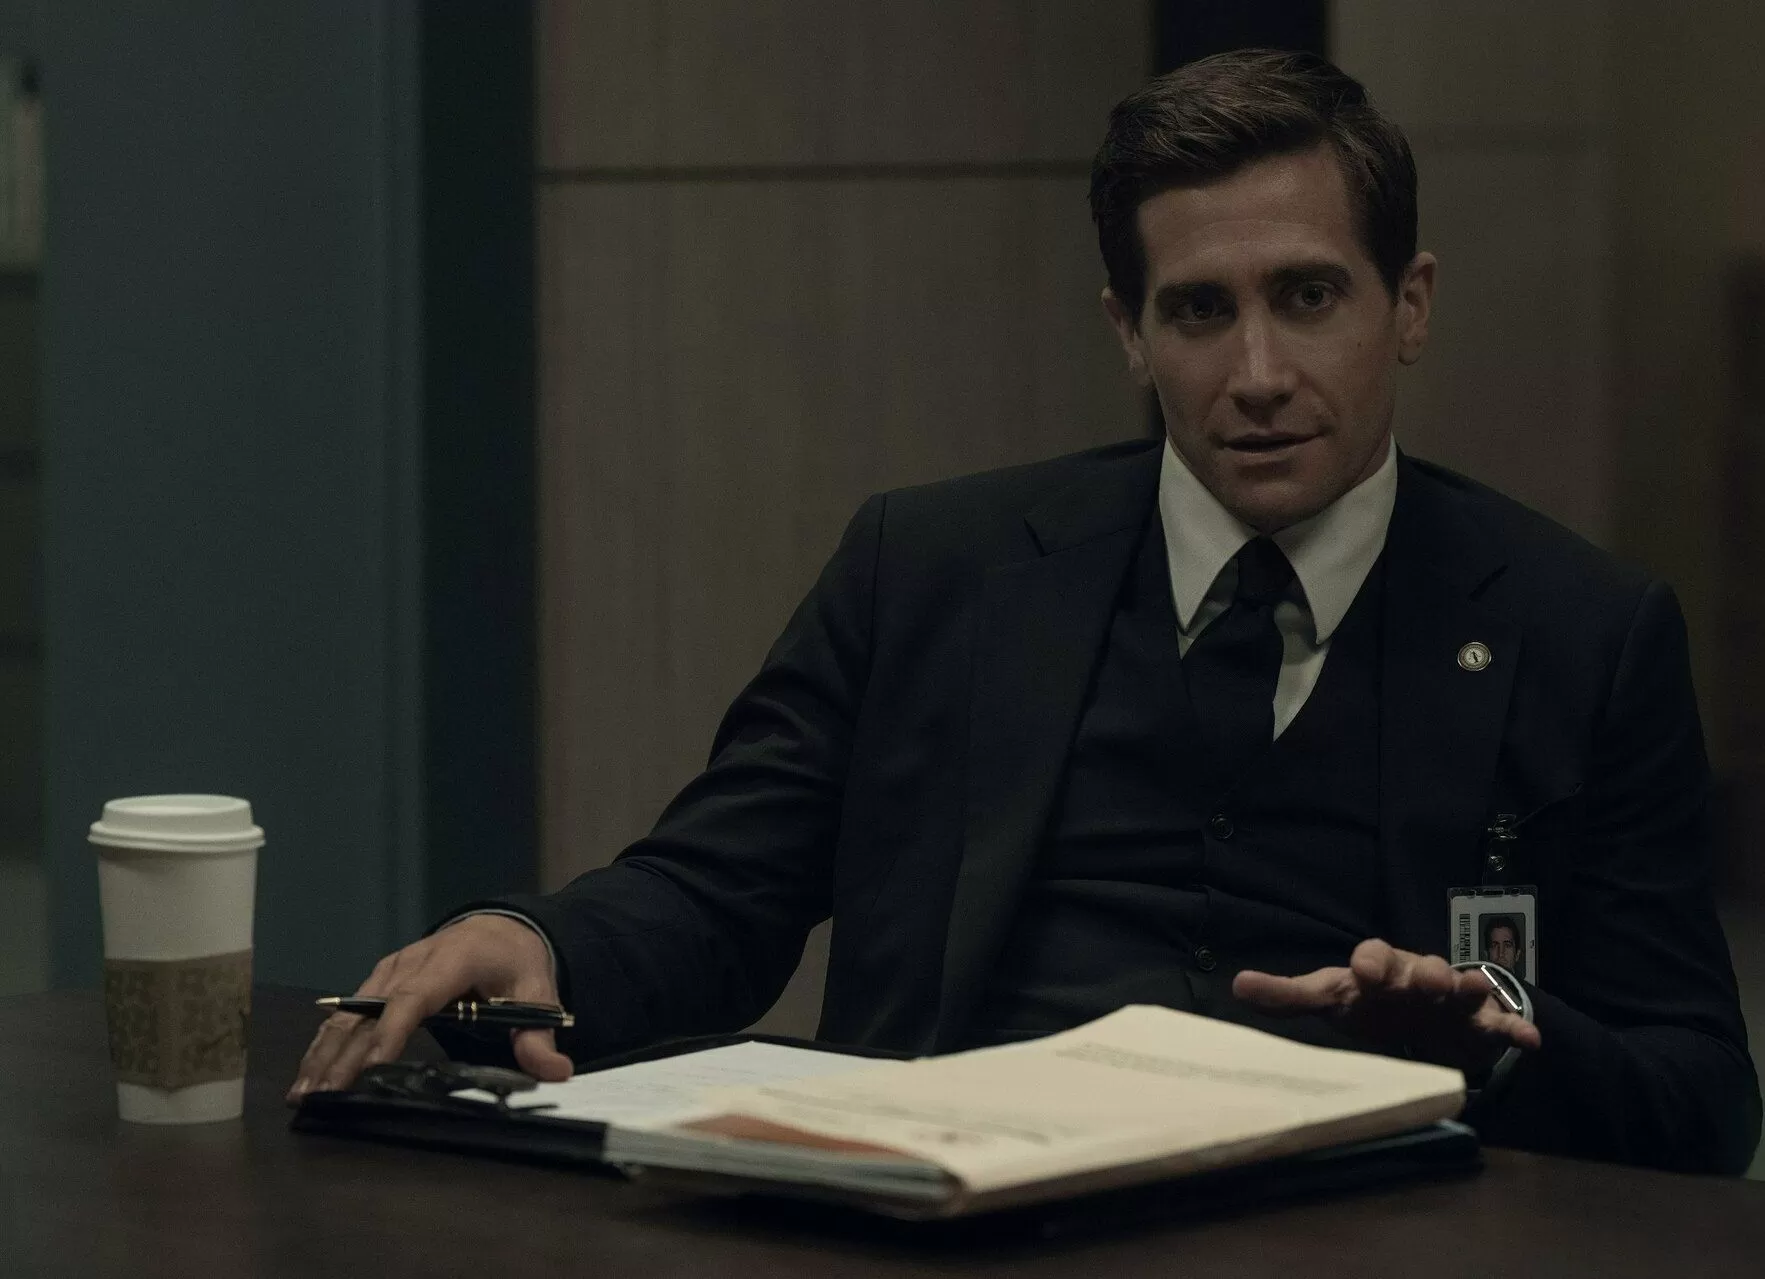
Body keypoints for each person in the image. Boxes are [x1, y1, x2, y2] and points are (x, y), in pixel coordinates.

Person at [290, 50, 1760, 1174]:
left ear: (1410, 305)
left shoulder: (1580, 631)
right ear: (1129, 330)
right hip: (956, 1206)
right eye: (1199, 311)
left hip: (1351, 1222)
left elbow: (1700, 1097)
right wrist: (535, 940)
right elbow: (719, 886)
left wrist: (1491, 1042)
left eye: (1310, 298)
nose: (1257, 374)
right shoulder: (937, 568)